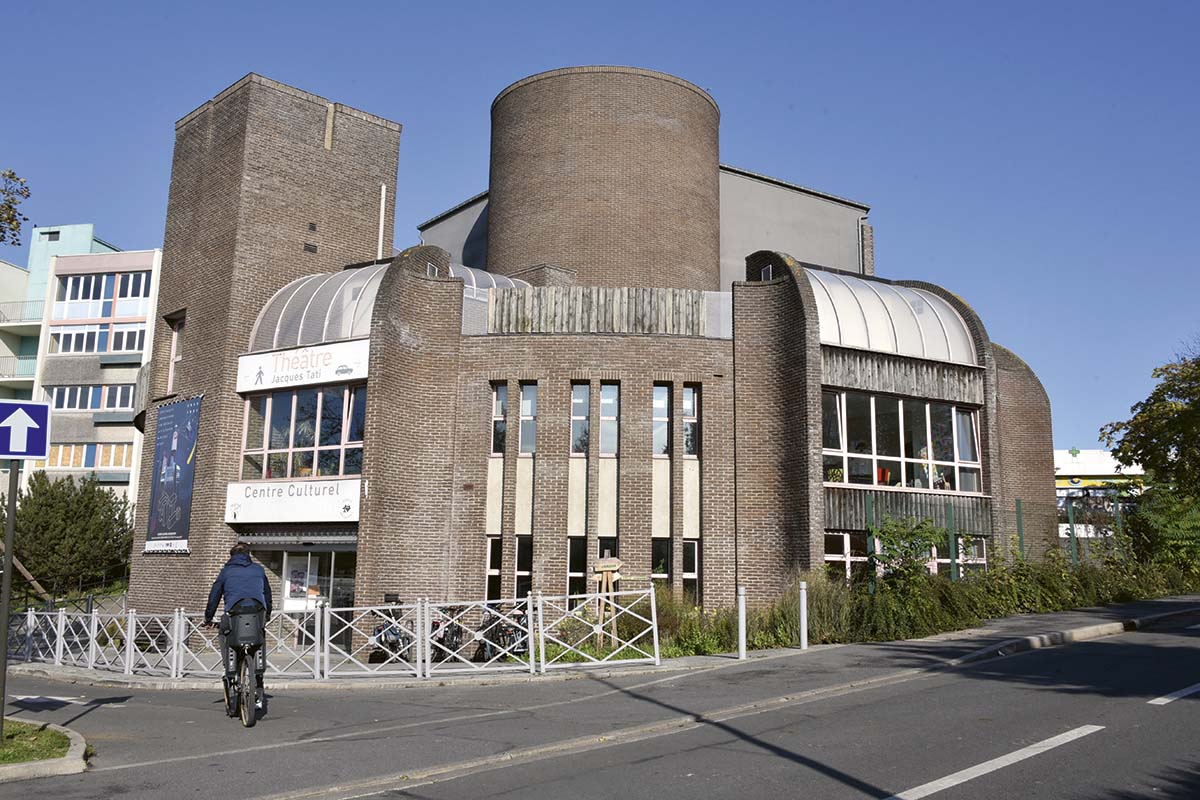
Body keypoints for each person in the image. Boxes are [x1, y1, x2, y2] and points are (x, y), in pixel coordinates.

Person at [205, 543, 273, 707]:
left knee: (224, 634)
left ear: (231, 556)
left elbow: (214, 595)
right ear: (248, 555)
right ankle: (258, 682)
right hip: (257, 614)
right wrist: (267, 615)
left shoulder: (226, 572)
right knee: (259, 640)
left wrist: (208, 618)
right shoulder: (259, 570)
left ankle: (230, 672)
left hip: (234, 615)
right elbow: (267, 593)